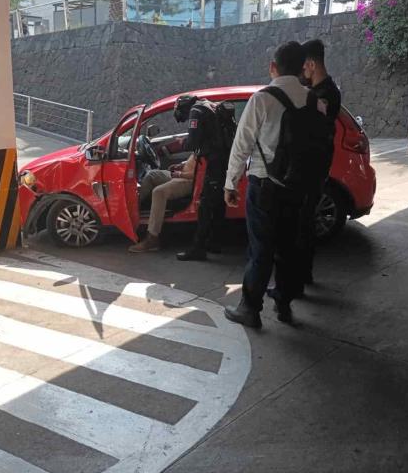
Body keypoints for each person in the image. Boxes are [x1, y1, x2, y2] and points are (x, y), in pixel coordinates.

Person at [222, 41, 311, 327]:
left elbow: (242, 145)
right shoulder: (314, 100)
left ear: (273, 66)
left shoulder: (262, 99)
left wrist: (230, 183)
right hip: (298, 186)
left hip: (265, 185)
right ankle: (283, 303)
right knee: (288, 246)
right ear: (302, 68)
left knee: (261, 249)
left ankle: (250, 309)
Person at [296, 39, 342, 287]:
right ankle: (302, 275)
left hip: (311, 168)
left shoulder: (325, 94)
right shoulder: (320, 92)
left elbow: (309, 129)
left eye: (303, 67)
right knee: (303, 224)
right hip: (313, 166)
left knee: (303, 225)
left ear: (311, 64)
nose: (302, 73)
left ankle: (299, 278)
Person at [173, 94, 231, 261]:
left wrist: (181, 142)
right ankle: (215, 243)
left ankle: (198, 249)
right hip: (224, 160)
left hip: (215, 162)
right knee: (218, 203)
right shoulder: (209, 105)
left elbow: (192, 143)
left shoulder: (196, 111)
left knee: (205, 205)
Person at [128, 154, 197, 252]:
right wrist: (181, 164)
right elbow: (193, 161)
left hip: (189, 180)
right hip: (182, 173)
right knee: (151, 175)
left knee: (158, 192)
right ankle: (134, 208)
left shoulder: (207, 146)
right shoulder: (199, 145)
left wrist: (180, 174)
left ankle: (153, 238)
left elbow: (199, 172)